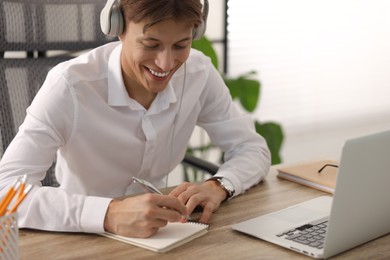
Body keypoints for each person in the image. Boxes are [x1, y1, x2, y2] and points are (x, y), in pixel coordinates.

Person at [0, 0, 270, 238]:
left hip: (163, 232)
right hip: (80, 235)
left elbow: (252, 148)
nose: (166, 63)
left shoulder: (198, 72)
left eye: (181, 45)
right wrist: (108, 213)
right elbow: (5, 194)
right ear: (118, 27)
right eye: (151, 44)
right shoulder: (70, 85)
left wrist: (219, 185)